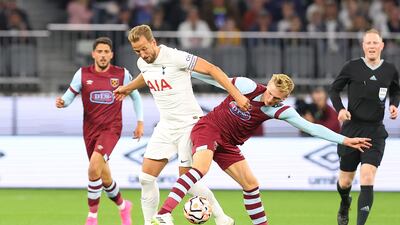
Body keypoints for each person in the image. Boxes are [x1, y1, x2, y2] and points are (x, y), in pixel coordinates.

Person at [151, 73, 372, 225]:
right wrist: (186, 73)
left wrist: (344, 140)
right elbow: (216, 79)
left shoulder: (280, 110)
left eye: (277, 98)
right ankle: (163, 214)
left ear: (284, 98)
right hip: (209, 128)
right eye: (271, 93)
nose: (270, 99)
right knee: (201, 168)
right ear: (268, 84)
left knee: (251, 185)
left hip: (228, 144)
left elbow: (311, 128)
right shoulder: (247, 86)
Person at [113, 24, 250, 225]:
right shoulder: (143, 62)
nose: (142, 54)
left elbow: (212, 69)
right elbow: (147, 74)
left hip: (189, 125)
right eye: (137, 51)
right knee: (145, 178)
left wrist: (237, 95)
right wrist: (127, 88)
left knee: (189, 185)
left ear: (153, 42)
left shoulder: (176, 57)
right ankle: (150, 222)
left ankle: (222, 217)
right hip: (166, 126)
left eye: (144, 48)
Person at [55, 37, 144, 225]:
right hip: (89, 130)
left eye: (106, 52)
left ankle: (92, 217)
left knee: (93, 168)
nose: (103, 55)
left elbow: (135, 97)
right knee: (104, 177)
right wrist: (62, 102)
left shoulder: (121, 74)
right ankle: (123, 206)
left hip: (111, 129)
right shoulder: (82, 74)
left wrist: (140, 122)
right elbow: (69, 96)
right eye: (100, 52)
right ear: (93, 54)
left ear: (111, 55)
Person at [329, 28, 400, 225]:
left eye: (375, 43)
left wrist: (394, 105)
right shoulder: (352, 67)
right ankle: (345, 202)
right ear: (363, 46)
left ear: (381, 46)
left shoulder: (390, 69)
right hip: (352, 130)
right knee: (345, 182)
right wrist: (340, 110)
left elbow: (395, 91)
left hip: (375, 131)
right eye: (368, 43)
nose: (371, 46)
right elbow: (334, 90)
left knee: (367, 177)